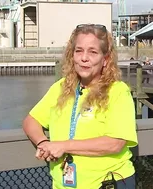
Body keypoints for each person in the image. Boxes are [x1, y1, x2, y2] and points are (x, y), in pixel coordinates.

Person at [22, 24, 138, 189]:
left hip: (107, 183)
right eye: (79, 51)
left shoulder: (118, 92)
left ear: (105, 60)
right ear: (72, 56)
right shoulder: (61, 88)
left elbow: (115, 143)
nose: (84, 58)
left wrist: (63, 146)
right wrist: (43, 143)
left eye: (93, 52)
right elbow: (31, 120)